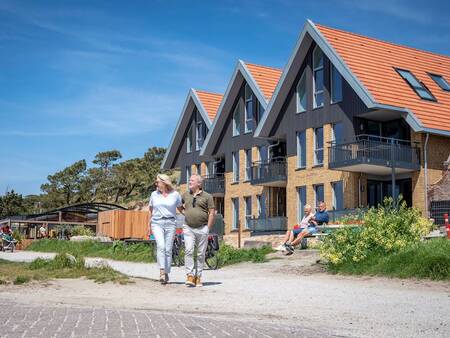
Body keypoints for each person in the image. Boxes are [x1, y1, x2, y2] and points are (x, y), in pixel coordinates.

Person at [148, 173, 183, 284]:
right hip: (157, 222)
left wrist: (191, 216)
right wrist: (148, 225)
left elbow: (181, 209)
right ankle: (162, 271)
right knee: (161, 246)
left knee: (168, 249)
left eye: (157, 181)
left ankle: (167, 272)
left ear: (164, 182)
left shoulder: (175, 194)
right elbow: (150, 210)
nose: (156, 183)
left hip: (171, 222)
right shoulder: (154, 194)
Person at [182, 174, 215, 287]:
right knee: (189, 250)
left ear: (199, 184)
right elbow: (179, 206)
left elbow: (212, 213)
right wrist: (185, 213)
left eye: (192, 180)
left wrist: (208, 228)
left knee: (201, 254)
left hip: (202, 228)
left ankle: (198, 276)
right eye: (189, 180)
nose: (189, 181)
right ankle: (190, 275)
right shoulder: (185, 194)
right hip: (188, 227)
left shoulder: (208, 196)